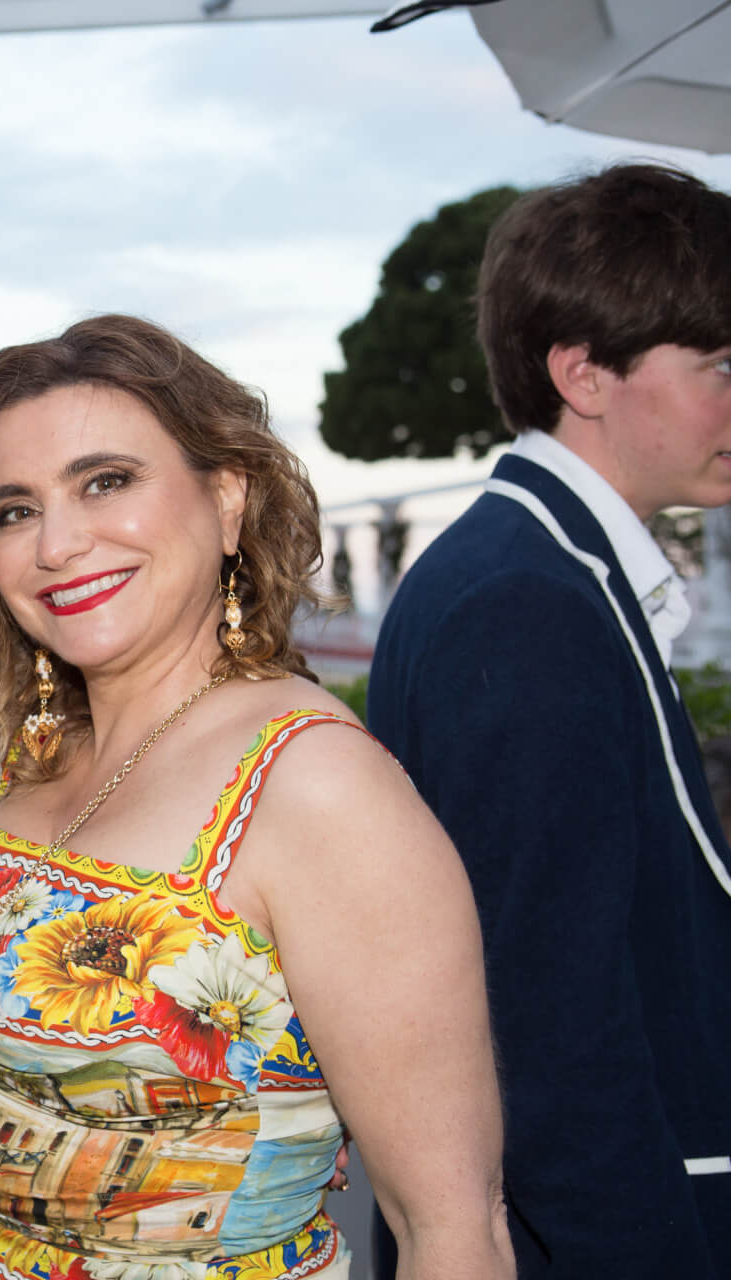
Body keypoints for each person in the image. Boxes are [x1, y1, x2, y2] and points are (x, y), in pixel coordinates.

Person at [0, 315, 514, 1280]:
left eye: (106, 481)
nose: (57, 543)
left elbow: (452, 1224)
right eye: (14, 511)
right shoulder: (43, 746)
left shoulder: (313, 784)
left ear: (228, 496)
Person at [367, 163, 731, 1278]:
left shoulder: (532, 568)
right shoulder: (526, 601)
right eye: (722, 365)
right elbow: (546, 1037)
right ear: (584, 372)